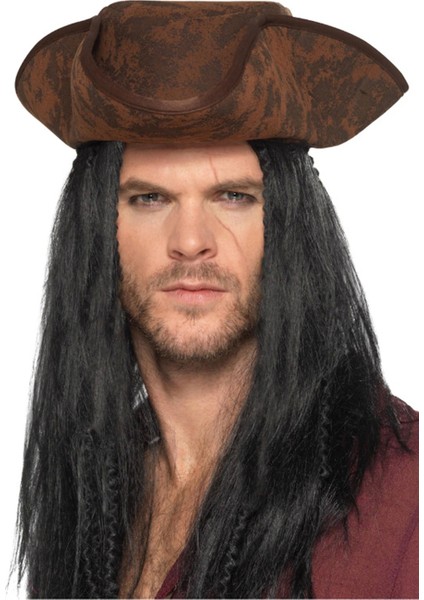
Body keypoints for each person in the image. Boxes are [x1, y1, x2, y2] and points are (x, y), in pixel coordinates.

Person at [12, 2, 418, 598]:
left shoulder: (403, 491)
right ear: (97, 231)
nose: (191, 241)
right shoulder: (94, 495)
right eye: (149, 198)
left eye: (233, 196)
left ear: (288, 224)